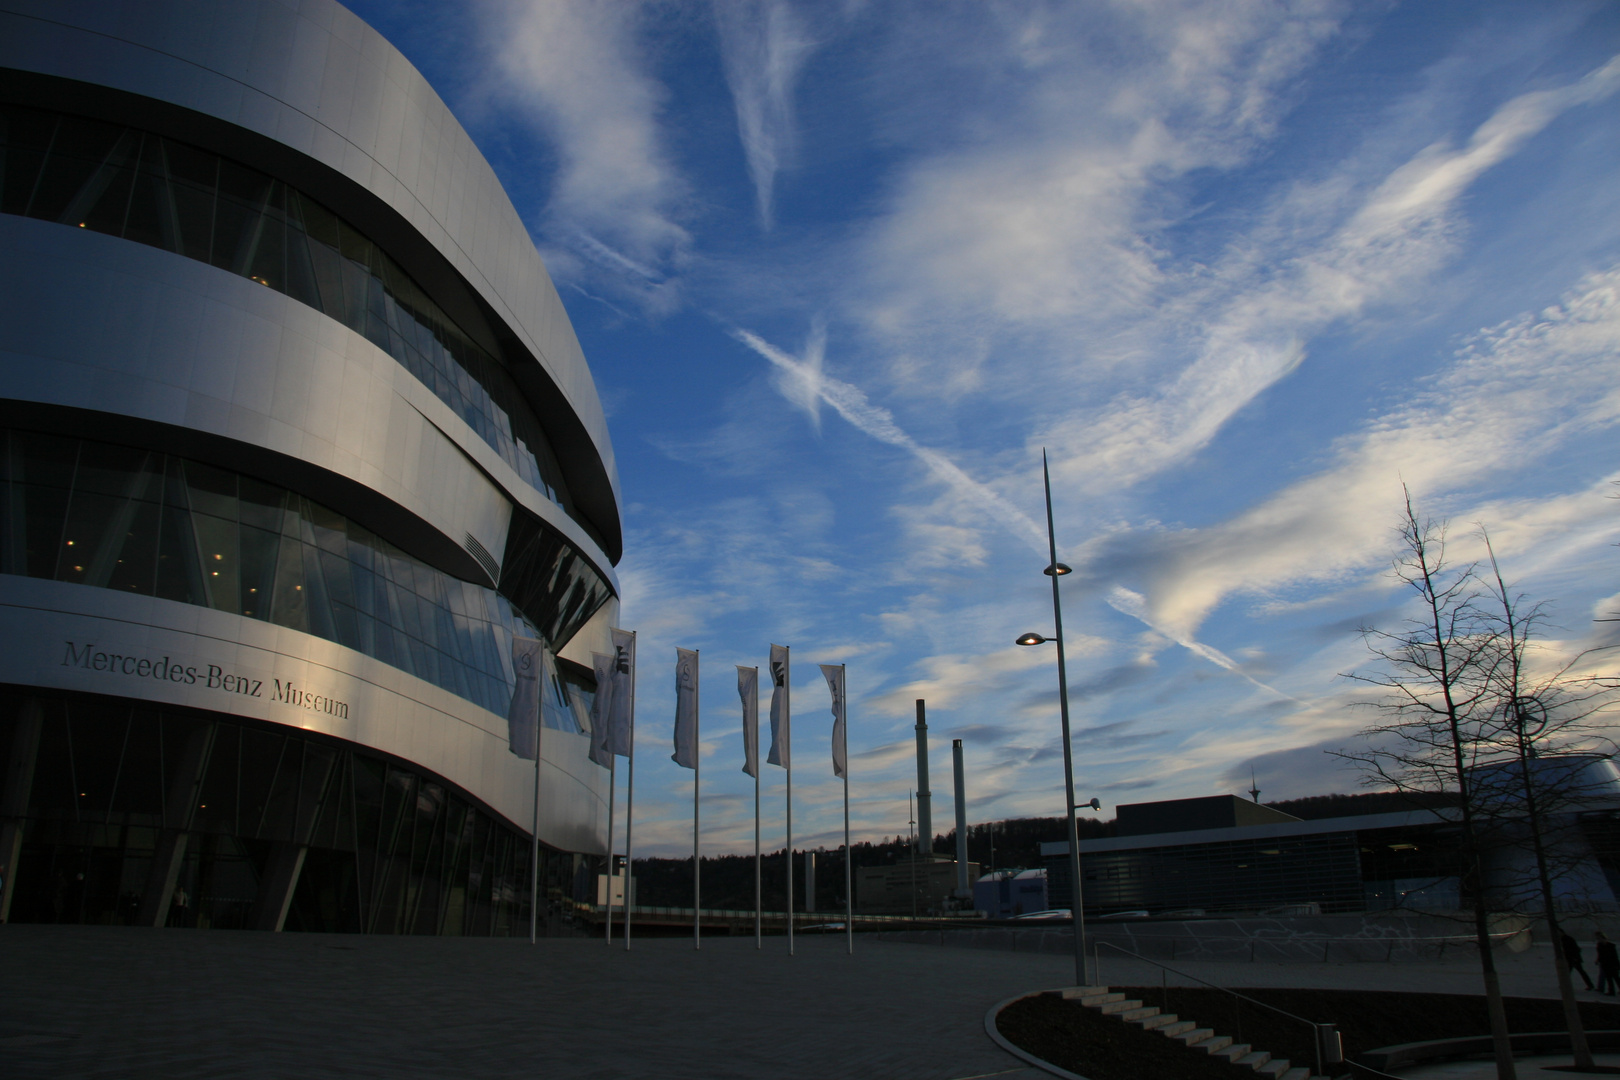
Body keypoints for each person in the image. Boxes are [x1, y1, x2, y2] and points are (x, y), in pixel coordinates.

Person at [1596, 932, 1619, 996]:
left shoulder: (1610, 946)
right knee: (1610, 978)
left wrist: (1617, 965)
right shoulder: (1600, 946)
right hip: (1606, 964)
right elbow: (1600, 955)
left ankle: (1611, 991)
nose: (1600, 940)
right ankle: (1611, 991)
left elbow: (1615, 956)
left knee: (1615, 978)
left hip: (1612, 964)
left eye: (1600, 939)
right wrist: (1598, 960)